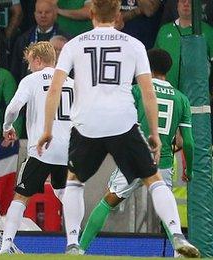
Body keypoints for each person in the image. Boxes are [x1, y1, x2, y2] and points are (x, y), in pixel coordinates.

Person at [37, 0, 199, 257]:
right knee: (154, 180)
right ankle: (177, 235)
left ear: (90, 13)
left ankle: (72, 244)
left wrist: (47, 128)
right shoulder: (134, 45)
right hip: (122, 123)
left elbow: (55, 88)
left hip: (86, 124)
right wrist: (155, 133)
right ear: (117, 14)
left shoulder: (74, 44)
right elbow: (148, 91)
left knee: (75, 182)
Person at [77, 49, 194, 255]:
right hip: (163, 161)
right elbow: (190, 143)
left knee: (109, 200)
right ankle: (178, 253)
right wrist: (189, 170)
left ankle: (80, 249)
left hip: (134, 157)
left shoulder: (137, 91)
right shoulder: (181, 99)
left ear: (147, 67)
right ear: (169, 69)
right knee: (166, 208)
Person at [0, 41, 73, 254]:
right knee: (65, 193)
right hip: (68, 149)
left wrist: (7, 126)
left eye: (30, 62)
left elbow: (13, 108)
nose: (29, 67)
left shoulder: (31, 80)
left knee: (21, 196)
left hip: (42, 148)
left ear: (38, 60)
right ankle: (76, 242)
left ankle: (5, 246)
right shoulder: (71, 81)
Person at [154, 0, 213, 88]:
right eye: (182, 1)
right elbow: (155, 62)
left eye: (190, 2)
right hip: (168, 92)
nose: (186, 4)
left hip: (196, 94)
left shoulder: (208, 31)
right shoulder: (164, 30)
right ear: (177, 6)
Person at [11, 0, 69, 82]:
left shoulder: (66, 39)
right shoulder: (23, 39)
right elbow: (16, 71)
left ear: (55, 14)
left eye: (47, 12)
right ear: (34, 14)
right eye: (40, 12)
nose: (43, 15)